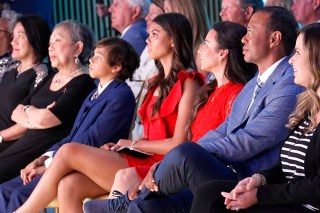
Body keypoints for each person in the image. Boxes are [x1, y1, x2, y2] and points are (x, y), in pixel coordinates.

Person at [13, 13, 204, 213]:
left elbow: (179, 144)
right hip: (141, 156)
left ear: (173, 40)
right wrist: (124, 147)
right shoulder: (155, 83)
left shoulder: (189, 82)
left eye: (155, 34)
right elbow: (149, 136)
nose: (147, 39)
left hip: (164, 165)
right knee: (69, 185)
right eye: (148, 34)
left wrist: (131, 143)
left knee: (69, 150)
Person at [126, 6, 304, 213]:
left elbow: (249, 140)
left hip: (253, 183)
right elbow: (223, 130)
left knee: (187, 154)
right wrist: (172, 161)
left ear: (274, 39)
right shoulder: (254, 83)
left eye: (251, 31)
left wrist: (181, 157)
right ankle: (130, 202)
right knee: (145, 206)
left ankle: (130, 198)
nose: (244, 39)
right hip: (226, 176)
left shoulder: (290, 83)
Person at [83, 21, 257, 213]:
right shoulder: (210, 91)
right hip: (182, 167)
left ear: (222, 53)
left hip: (206, 175)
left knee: (74, 154)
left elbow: (223, 147)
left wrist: (157, 163)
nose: (199, 49)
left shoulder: (236, 94)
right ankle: (127, 202)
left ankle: (126, 202)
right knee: (140, 205)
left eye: (206, 43)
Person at [190, 22, 320, 213]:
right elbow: (284, 165)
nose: (291, 60)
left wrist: (259, 195)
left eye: (298, 53)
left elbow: (317, 186)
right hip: (289, 198)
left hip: (308, 206)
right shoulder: (307, 109)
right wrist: (258, 180)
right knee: (209, 192)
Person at [0, 37, 139, 213]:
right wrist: (43, 158)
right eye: (93, 55)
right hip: (64, 159)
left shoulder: (120, 95)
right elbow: (72, 136)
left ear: (116, 66)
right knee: (3, 190)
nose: (91, 60)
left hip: (87, 166)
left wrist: (48, 167)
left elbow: (92, 140)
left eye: (98, 57)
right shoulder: (95, 94)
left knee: (20, 194)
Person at [0, 19, 96, 183]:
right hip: (22, 147)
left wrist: (32, 112)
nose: (50, 47)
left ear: (77, 48)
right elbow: (17, 112)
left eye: (57, 40)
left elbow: (47, 119)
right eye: (50, 42)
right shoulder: (52, 77)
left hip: (39, 156)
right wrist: (37, 113)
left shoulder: (83, 82)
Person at [0, 14, 50, 151]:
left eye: (20, 36)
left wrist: (1, 136)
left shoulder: (42, 73)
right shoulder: (10, 71)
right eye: (14, 36)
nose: (13, 42)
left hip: (12, 146)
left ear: (35, 39)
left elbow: (33, 121)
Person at [126, 0, 165, 140]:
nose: (147, 17)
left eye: (153, 13)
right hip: (136, 120)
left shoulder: (184, 79)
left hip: (140, 126)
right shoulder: (147, 49)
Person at [163, 0, 210, 78]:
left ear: (184, 12)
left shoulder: (201, 55)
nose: (164, 17)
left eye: (168, 10)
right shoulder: (178, 48)